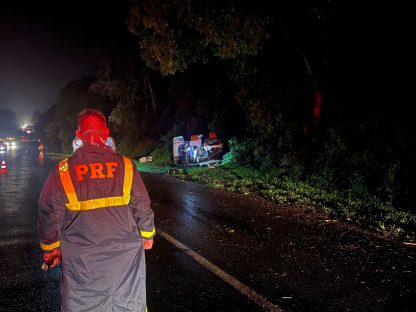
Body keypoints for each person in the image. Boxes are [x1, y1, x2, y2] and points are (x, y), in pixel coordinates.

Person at [37, 108, 155, 312]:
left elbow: (49, 212)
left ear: (78, 135)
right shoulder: (126, 166)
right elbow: (142, 204)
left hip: (82, 265)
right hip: (124, 262)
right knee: (127, 304)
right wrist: (147, 233)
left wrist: (50, 249)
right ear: (106, 133)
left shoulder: (63, 171)